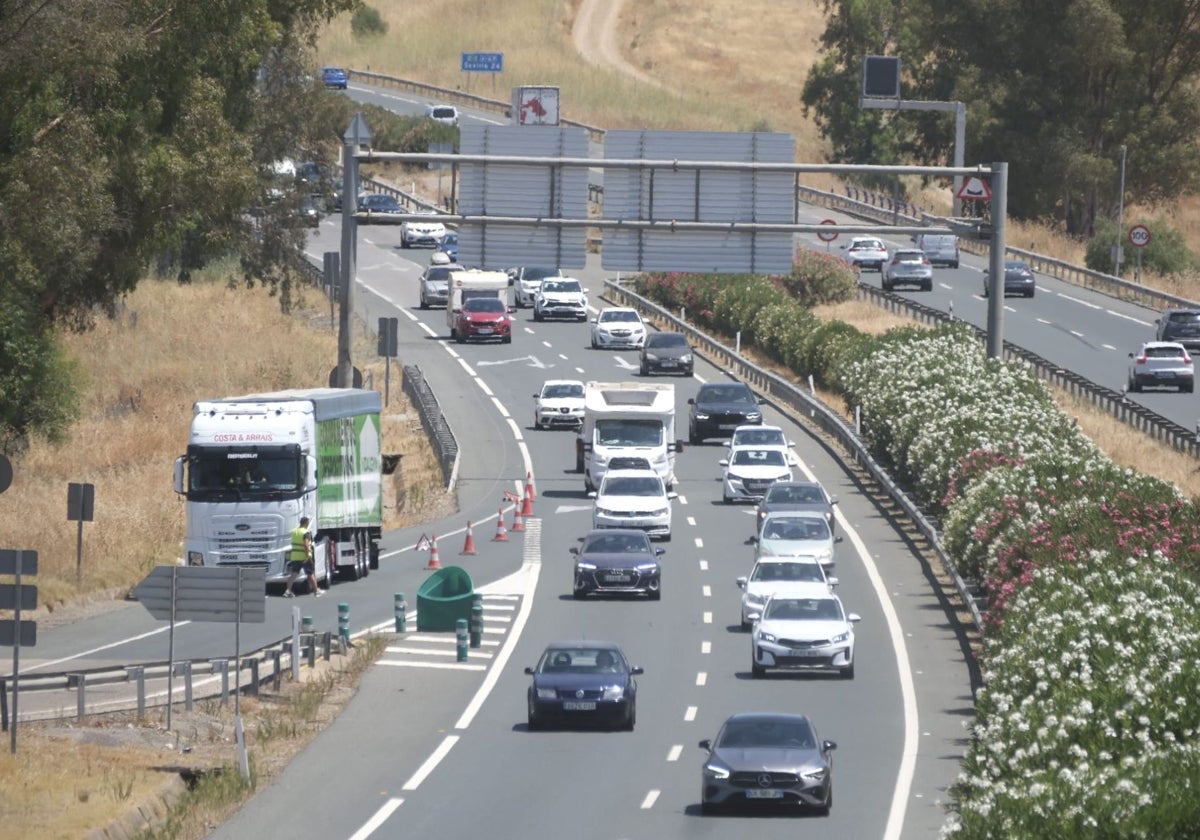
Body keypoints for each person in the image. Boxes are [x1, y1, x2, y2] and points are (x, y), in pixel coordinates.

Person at [284, 516, 323, 598]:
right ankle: (316, 591)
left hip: (295, 556)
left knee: (293, 574)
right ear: (306, 523)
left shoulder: (295, 532)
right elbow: (306, 544)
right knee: (311, 574)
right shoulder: (306, 533)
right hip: (304, 557)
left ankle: (288, 591)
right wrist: (307, 556)